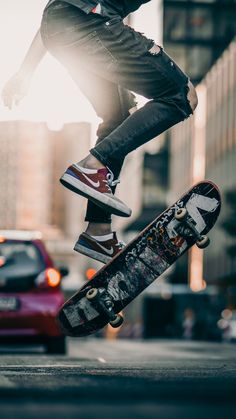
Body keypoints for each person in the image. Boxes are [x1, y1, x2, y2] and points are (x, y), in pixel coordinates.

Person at [2, 0, 198, 264]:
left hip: (62, 31)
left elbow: (56, 11)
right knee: (181, 94)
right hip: (90, 25)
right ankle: (93, 166)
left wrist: (26, 71)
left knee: (117, 115)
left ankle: (98, 231)